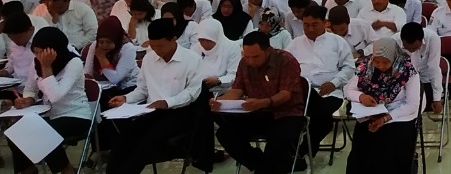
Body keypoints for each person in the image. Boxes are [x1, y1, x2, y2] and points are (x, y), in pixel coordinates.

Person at [105, 19, 205, 174]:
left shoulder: (191, 60)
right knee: (125, 137)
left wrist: (167, 102)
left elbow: (192, 93)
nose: (157, 50)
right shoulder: (149, 59)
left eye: (161, 45)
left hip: (181, 112)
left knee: (148, 142)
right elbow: (143, 90)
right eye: (153, 45)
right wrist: (126, 98)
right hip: (151, 111)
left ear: (173, 39)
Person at [210, 31, 308, 174]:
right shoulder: (244, 62)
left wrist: (263, 102)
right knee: (225, 134)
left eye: (255, 57)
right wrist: (220, 101)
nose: (250, 61)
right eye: (247, 56)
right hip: (257, 113)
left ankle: (267, 167)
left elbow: (286, 94)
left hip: (287, 113)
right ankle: (264, 166)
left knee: (277, 143)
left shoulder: (286, 60)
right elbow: (237, 89)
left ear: (267, 50)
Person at [8, 27, 92, 174]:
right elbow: (31, 88)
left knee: (43, 133)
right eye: (36, 52)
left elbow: (55, 95)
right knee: (14, 133)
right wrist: (28, 99)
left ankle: (66, 170)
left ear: (54, 49)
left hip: (75, 115)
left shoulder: (73, 63)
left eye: (42, 52)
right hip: (48, 114)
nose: (38, 56)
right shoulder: (37, 62)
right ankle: (29, 170)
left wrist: (46, 68)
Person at [343, 37, 420, 174]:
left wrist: (385, 118)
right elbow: (348, 90)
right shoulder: (366, 67)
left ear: (394, 57)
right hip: (371, 112)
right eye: (377, 61)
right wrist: (361, 97)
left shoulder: (407, 71)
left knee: (387, 146)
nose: (380, 66)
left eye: (385, 62)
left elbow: (412, 105)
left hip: (399, 115)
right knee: (361, 149)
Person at [287, 5, 355, 158]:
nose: (310, 29)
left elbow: (349, 67)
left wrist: (334, 83)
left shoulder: (337, 42)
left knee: (322, 113)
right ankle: (299, 150)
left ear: (325, 23)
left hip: (331, 92)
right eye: (306, 25)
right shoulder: (295, 44)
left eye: (314, 24)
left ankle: (301, 151)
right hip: (302, 93)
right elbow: (286, 70)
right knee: (313, 118)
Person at [85, 17, 139, 100]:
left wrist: (102, 58)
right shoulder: (95, 46)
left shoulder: (127, 48)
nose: (104, 45)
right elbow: (88, 73)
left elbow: (115, 79)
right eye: (101, 42)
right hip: (104, 88)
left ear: (116, 39)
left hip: (128, 87)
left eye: (109, 42)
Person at [33, 0, 98, 49]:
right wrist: (54, 19)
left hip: (80, 48)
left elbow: (93, 33)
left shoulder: (83, 9)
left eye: (59, 7)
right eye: (54, 7)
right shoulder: (48, 10)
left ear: (68, 1)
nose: (56, 10)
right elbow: (49, 36)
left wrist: (75, 47)